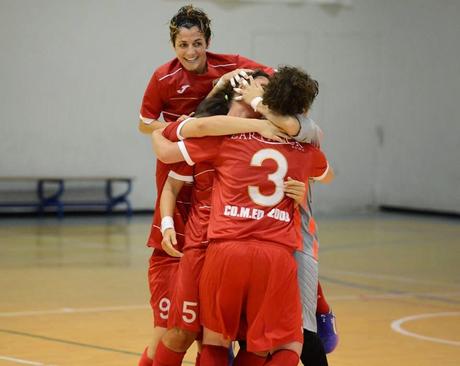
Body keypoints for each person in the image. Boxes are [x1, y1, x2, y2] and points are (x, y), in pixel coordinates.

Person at [152, 66, 334, 366]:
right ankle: (322, 314)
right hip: (260, 251)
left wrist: (163, 131)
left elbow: (167, 145)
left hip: (230, 248)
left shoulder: (229, 139)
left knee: (221, 339)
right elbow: (327, 173)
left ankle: (323, 313)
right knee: (281, 343)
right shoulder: (301, 145)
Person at [137, 5, 273, 365]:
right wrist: (177, 127)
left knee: (218, 331)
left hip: (221, 182)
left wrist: (252, 89)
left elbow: (273, 79)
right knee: (173, 330)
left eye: (197, 43)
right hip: (187, 156)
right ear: (173, 44)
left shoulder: (231, 65)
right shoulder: (162, 78)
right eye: (183, 44)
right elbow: (145, 125)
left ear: (208, 41)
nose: (191, 51)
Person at [235, 75, 339, 364]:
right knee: (249, 329)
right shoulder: (248, 131)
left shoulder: (306, 132)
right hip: (255, 241)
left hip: (296, 241)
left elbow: (327, 174)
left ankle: (321, 311)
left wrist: (256, 99)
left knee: (302, 332)